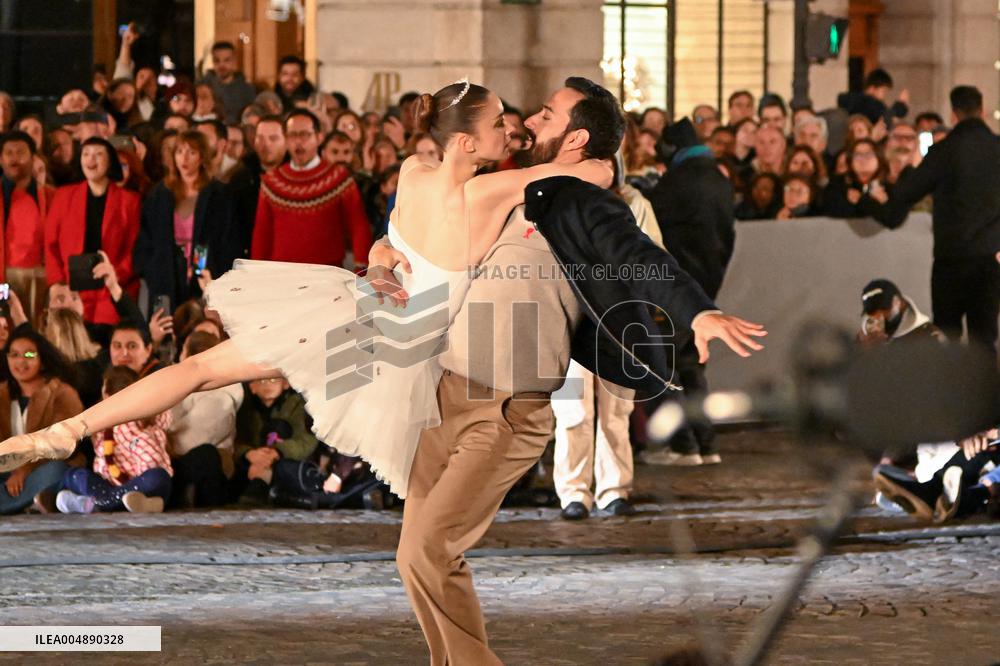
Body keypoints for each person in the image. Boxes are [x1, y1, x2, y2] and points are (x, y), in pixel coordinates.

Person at [874, 85, 1000, 360]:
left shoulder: (944, 151)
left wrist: (901, 178)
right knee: (984, 339)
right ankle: (987, 399)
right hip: (987, 259)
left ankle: (948, 399)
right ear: (982, 110)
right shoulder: (996, 148)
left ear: (953, 115)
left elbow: (908, 192)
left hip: (950, 259)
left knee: (947, 337)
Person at [250, 109, 372, 268]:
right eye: (293, 135)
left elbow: (358, 226)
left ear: (319, 137)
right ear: (286, 140)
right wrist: (257, 273)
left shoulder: (339, 178)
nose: (298, 142)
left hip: (327, 274)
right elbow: (262, 234)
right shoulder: (271, 182)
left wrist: (362, 267)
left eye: (304, 135)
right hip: (281, 275)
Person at [134, 129, 237, 311]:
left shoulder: (218, 194)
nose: (184, 158)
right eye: (180, 151)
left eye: (192, 152)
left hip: (204, 276)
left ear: (202, 157)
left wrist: (209, 271)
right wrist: (151, 271)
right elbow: (146, 239)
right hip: (165, 276)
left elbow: (225, 239)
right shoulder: (160, 194)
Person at [45, 137, 141, 327]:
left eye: (98, 155)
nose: (91, 160)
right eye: (86, 154)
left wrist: (114, 276)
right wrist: (57, 283)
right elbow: (50, 244)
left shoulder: (129, 201)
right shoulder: (64, 195)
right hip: (71, 288)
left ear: (110, 161)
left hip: (111, 287)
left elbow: (134, 249)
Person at [56, 365, 172, 514]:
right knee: (73, 475)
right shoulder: (100, 425)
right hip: (107, 484)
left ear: (106, 393)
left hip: (140, 485)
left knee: (158, 477)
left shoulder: (146, 418)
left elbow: (153, 461)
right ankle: (135, 504)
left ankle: (97, 504)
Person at [0, 326, 83, 514]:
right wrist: (13, 469)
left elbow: (64, 444)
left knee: (58, 470)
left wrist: (26, 469)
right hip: (6, 471)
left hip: (43, 468)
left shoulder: (62, 393)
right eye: (14, 355)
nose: (21, 361)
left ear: (42, 360)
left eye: (29, 355)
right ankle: (27, 503)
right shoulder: (1, 394)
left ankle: (15, 504)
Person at [168, 331, 242, 508]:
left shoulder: (222, 395)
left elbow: (193, 439)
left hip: (193, 458)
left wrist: (165, 442)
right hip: (169, 456)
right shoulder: (175, 381)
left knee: (206, 455)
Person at [1, 130, 54, 322]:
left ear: (33, 158)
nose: (15, 158)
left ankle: (31, 355)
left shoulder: (50, 196)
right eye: (9, 153)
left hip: (40, 276)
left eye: (21, 152)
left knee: (36, 326)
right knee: (5, 325)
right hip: (3, 277)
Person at [227, 115, 287, 258]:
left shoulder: (298, 175)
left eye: (273, 138)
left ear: (286, 141)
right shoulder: (241, 176)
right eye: (260, 138)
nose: (265, 144)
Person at [201, 41, 257, 125]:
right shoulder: (203, 89)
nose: (221, 65)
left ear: (234, 61)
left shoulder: (247, 90)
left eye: (227, 60)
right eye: (217, 61)